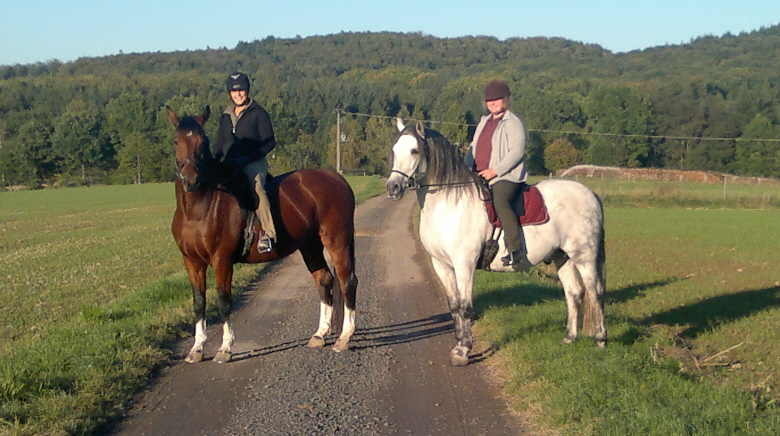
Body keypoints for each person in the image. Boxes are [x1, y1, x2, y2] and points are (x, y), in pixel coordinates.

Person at [213, 72, 277, 253]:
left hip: (253, 163)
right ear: (229, 93)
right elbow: (219, 145)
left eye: (241, 90)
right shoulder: (225, 116)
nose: (238, 94)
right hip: (230, 164)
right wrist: (208, 163)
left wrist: (249, 157)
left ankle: (268, 234)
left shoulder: (259, 113)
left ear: (247, 91)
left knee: (256, 188)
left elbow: (269, 142)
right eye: (234, 91)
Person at [467, 79, 528, 266]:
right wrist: (465, 168)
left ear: (505, 100)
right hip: (480, 174)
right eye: (489, 100)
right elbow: (473, 148)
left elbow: (517, 152)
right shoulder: (484, 122)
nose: (492, 103)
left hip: (506, 176)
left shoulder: (513, 123)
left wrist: (495, 171)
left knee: (500, 200)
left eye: (496, 99)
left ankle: (514, 250)